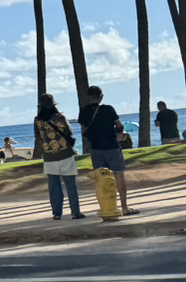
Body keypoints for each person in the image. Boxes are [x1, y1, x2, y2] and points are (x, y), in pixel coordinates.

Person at [78, 85, 135, 215]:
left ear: (88, 97)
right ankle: (124, 207)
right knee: (119, 174)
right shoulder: (109, 109)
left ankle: (105, 207)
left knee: (101, 178)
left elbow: (84, 131)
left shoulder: (83, 111)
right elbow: (119, 126)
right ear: (102, 97)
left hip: (96, 147)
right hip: (111, 145)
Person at [34, 92, 84, 221]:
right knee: (70, 185)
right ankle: (75, 212)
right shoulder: (60, 117)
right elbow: (69, 131)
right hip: (65, 154)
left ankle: (57, 213)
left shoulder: (37, 120)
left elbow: (38, 137)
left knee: (54, 187)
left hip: (49, 157)